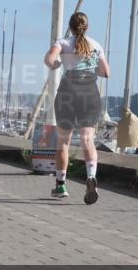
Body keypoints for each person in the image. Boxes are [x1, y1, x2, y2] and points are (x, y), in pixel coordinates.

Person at [43, 11, 111, 205]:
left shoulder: (63, 43)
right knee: (87, 139)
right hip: (90, 92)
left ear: (71, 27)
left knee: (63, 141)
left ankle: (61, 185)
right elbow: (106, 72)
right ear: (86, 27)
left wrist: (56, 63)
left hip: (68, 92)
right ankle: (90, 177)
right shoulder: (96, 46)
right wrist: (91, 66)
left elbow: (49, 60)